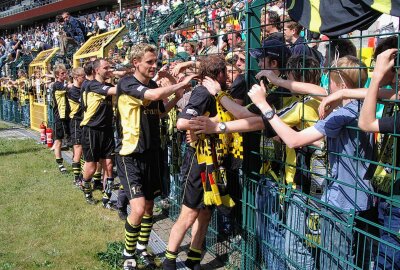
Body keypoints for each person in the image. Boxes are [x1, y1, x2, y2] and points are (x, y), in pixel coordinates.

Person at [247, 55, 375, 270]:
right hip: (364, 199)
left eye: (330, 80)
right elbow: (317, 90)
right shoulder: (366, 107)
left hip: (341, 202)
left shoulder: (341, 114)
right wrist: (278, 82)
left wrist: (263, 105)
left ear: (341, 84)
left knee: (333, 262)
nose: (326, 85)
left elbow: (293, 139)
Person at [115, 43, 195, 270]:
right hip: (130, 154)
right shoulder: (127, 83)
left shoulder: (151, 84)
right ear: (135, 63)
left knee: (149, 206)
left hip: (151, 153)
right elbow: (152, 94)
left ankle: (142, 247)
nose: (154, 66)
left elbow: (159, 111)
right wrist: (181, 82)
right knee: (138, 208)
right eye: (149, 62)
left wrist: (176, 97)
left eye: (156, 61)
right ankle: (127, 254)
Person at [163, 55, 239, 270]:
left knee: (205, 212)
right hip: (197, 161)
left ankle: (193, 260)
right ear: (220, 73)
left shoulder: (219, 92)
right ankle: (169, 261)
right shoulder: (202, 92)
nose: (231, 76)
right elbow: (181, 122)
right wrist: (214, 121)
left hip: (213, 161)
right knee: (189, 213)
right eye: (228, 72)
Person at [80, 58, 116, 205]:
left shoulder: (108, 85)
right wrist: (130, 84)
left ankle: (107, 197)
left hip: (107, 130)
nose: (109, 70)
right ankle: (87, 191)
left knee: (108, 164)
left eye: (109, 67)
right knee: (92, 165)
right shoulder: (91, 85)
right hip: (91, 129)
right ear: (97, 70)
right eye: (106, 68)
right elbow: (117, 90)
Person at [67, 67, 85, 186]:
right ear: (75, 77)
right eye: (82, 76)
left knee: (81, 149)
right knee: (78, 147)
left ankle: (82, 173)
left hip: (84, 121)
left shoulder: (84, 88)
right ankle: (76, 177)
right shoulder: (72, 91)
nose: (85, 78)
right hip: (75, 121)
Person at [51, 64, 70, 174]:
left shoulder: (63, 84)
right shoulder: (57, 85)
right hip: (59, 117)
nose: (65, 75)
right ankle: (60, 164)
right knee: (59, 140)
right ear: (57, 75)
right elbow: (69, 87)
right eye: (62, 73)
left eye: (65, 72)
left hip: (68, 116)